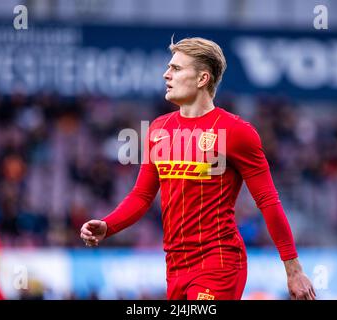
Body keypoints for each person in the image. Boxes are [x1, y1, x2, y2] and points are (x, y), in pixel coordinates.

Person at [80, 37, 316, 300]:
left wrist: (293, 270)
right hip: (175, 267)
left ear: (203, 79)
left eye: (176, 68)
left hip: (219, 263)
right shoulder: (159, 129)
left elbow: (268, 202)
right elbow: (142, 196)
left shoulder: (237, 132)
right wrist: (108, 225)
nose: (166, 74)